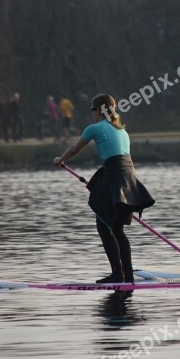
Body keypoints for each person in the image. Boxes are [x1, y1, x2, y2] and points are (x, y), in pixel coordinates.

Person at [53, 94, 154, 283]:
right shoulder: (122, 130)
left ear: (99, 110)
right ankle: (128, 274)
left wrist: (61, 160)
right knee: (117, 229)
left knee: (103, 225)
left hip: (115, 176)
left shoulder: (95, 128)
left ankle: (118, 274)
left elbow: (75, 148)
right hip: (129, 178)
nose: (91, 112)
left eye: (92, 108)